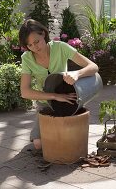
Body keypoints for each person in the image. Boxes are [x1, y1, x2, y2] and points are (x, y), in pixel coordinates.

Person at [19, 19, 98, 150]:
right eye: (30, 45)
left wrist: (77, 73)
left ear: (43, 34)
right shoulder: (27, 58)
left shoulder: (60, 47)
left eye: (36, 41)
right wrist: (54, 96)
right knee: (38, 145)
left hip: (68, 97)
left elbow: (93, 67)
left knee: (67, 139)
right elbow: (25, 91)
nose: (35, 47)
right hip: (46, 102)